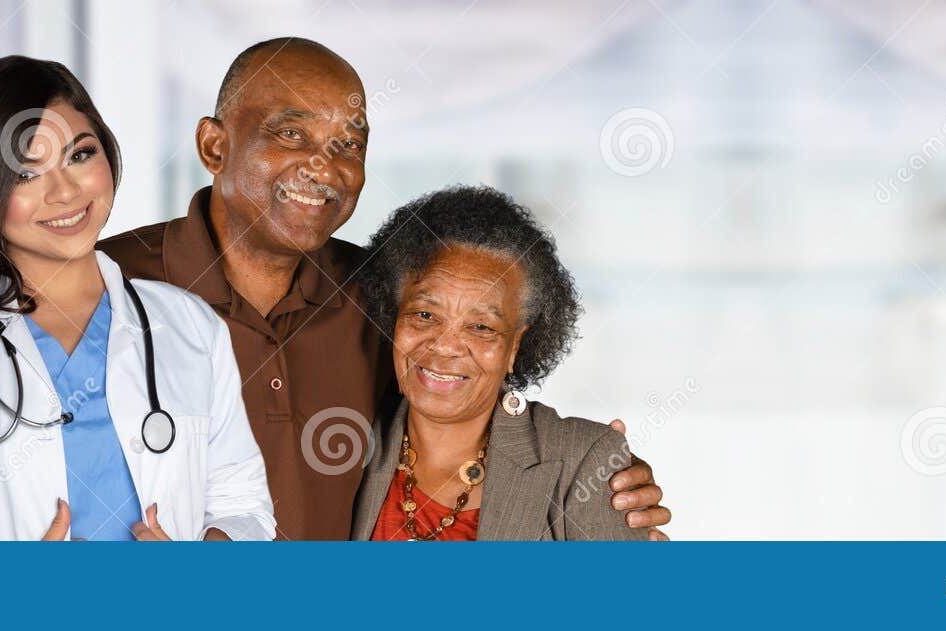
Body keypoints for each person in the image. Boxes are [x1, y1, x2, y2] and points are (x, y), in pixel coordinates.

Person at [98, 37, 672, 540]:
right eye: (291, 132)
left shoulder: (377, 294)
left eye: (348, 144)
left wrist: (592, 471)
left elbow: (465, 387)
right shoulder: (104, 288)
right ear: (214, 147)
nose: (323, 167)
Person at [0, 56, 274, 541]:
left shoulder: (188, 325)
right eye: (25, 175)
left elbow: (243, 504)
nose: (65, 192)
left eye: (79, 155)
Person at [349, 186, 641, 540]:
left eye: (481, 326)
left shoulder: (582, 461)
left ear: (516, 344)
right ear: (393, 318)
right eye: (425, 314)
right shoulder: (350, 441)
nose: (445, 346)